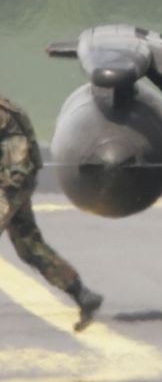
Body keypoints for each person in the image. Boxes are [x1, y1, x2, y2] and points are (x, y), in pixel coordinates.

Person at [0, 93, 102, 329]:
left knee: (30, 247)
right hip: (16, 183)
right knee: (30, 247)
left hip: (10, 185)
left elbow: (17, 155)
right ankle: (82, 294)